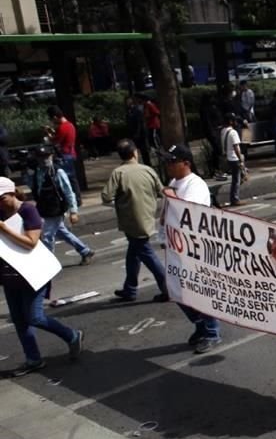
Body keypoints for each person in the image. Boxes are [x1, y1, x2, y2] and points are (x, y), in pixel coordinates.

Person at [0, 176, 84, 377]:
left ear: (12, 193)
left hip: (33, 273)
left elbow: (31, 242)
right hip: (10, 276)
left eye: (1, 198)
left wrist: (4, 229)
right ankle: (33, 359)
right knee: (19, 320)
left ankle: (72, 335)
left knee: (35, 317)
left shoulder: (28, 210)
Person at [162, 145, 222, 354]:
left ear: (186, 163)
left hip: (195, 248)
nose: (168, 165)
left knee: (198, 289)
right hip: (176, 246)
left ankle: (212, 331)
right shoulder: (174, 182)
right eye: (167, 161)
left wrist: (172, 197)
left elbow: (191, 216)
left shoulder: (195, 185)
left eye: (172, 161)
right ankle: (200, 324)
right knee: (176, 290)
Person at [101, 139, 168, 303]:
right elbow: (162, 192)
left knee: (147, 255)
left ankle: (167, 288)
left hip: (131, 222)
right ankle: (130, 289)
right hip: (147, 218)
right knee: (133, 255)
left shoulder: (119, 173)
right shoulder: (148, 170)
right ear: (135, 152)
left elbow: (106, 196)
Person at [25, 146, 94, 265]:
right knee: (61, 232)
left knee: (47, 235)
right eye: (41, 157)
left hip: (56, 209)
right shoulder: (37, 172)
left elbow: (68, 192)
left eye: (46, 157)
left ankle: (48, 263)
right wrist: (29, 174)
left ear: (51, 156)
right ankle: (85, 251)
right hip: (43, 208)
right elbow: (33, 188)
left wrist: (73, 211)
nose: (44, 160)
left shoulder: (58, 172)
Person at [43, 106, 80, 198]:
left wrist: (47, 133)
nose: (52, 121)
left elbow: (55, 141)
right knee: (72, 178)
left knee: (67, 178)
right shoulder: (70, 125)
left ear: (55, 117)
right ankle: (77, 198)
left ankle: (74, 198)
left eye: (51, 119)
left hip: (64, 156)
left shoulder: (63, 127)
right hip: (71, 154)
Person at [126, 96, 150, 166]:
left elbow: (140, 123)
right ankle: (135, 163)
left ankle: (147, 163)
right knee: (133, 149)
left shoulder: (137, 110)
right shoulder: (128, 111)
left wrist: (138, 133)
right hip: (132, 133)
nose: (127, 103)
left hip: (140, 133)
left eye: (128, 101)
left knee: (144, 150)